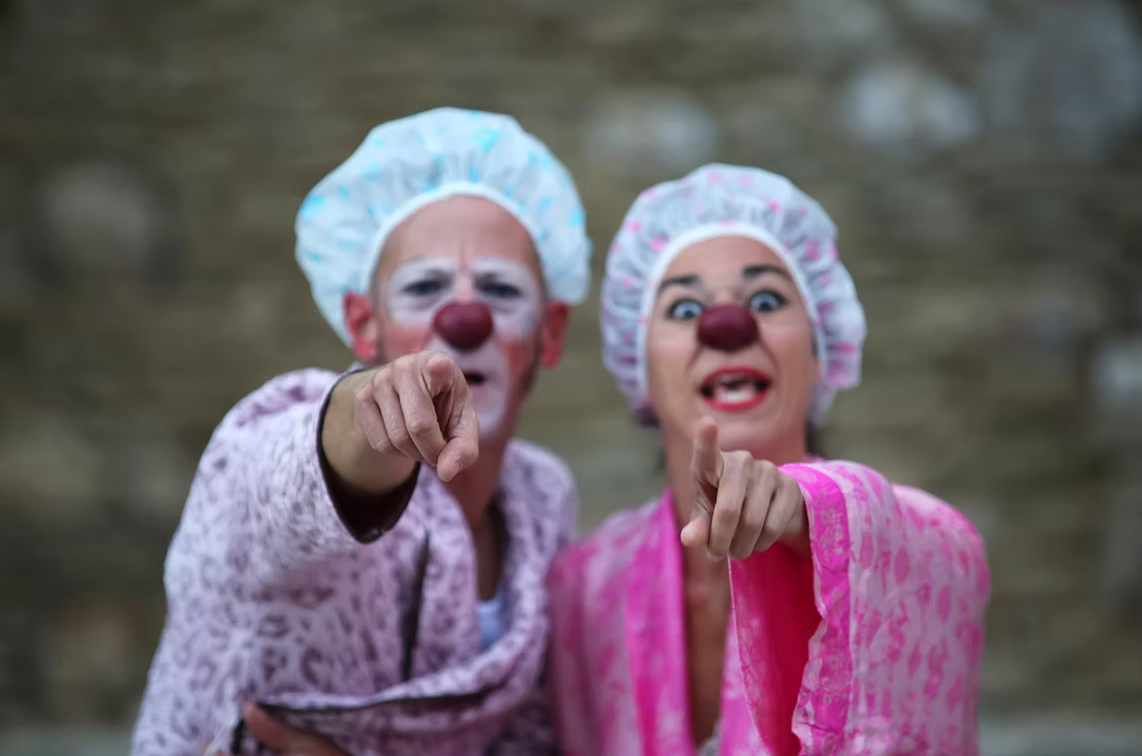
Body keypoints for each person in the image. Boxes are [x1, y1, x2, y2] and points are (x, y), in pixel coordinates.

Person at [130, 107, 592, 756]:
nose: (465, 318)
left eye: (500, 288)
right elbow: (280, 482)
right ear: (363, 324)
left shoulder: (545, 502)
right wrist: (366, 415)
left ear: (549, 333)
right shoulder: (273, 429)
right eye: (424, 286)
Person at [546, 164, 991, 755]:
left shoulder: (919, 543)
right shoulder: (584, 585)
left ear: (820, 350)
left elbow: (942, 548)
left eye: (765, 299)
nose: (726, 326)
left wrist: (805, 511)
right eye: (683, 309)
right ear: (639, 365)